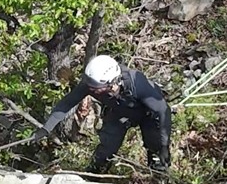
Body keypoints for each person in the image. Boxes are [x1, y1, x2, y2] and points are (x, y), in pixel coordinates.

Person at [35, 55, 172, 174]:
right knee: (107, 147)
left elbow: (163, 111)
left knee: (156, 148)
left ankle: (158, 176)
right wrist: (46, 128)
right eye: (90, 86)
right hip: (120, 113)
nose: (90, 89)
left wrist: (164, 145)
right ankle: (94, 175)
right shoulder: (91, 84)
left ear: (112, 82)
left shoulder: (138, 84)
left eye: (95, 88)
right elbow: (66, 104)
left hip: (148, 114)